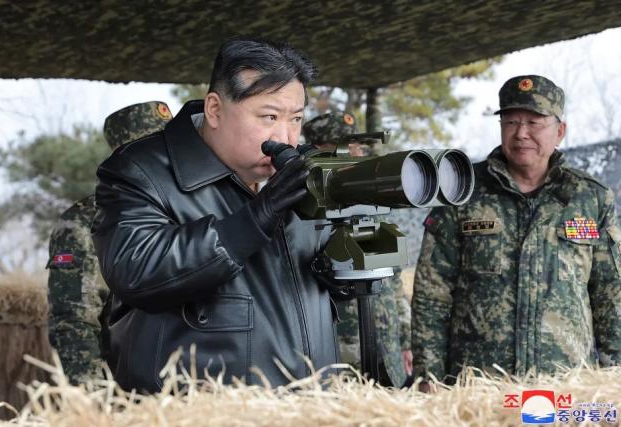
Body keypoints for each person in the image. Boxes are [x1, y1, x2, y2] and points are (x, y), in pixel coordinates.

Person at [91, 38, 339, 392]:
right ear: (214, 110)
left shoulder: (299, 175)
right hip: (194, 411)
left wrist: (341, 274)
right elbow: (136, 270)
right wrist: (254, 220)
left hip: (310, 408)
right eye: (269, 117)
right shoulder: (140, 172)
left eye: (296, 119)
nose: (286, 137)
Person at [411, 75, 621, 390]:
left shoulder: (589, 198)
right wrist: (429, 378)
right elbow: (432, 293)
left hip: (564, 384)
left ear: (560, 131)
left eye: (534, 122)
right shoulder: (462, 192)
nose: (521, 133)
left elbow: (610, 295)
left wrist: (614, 377)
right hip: (478, 386)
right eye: (511, 122)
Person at [47, 101, 173, 384]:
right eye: (149, 150)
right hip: (125, 394)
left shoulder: (196, 207)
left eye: (167, 148)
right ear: (123, 157)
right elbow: (73, 320)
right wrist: (93, 404)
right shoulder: (84, 221)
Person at [302, 112, 413, 387]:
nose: (355, 154)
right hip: (339, 353)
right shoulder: (302, 211)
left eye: (359, 148)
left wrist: (406, 340)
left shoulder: (373, 204)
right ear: (317, 153)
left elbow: (394, 281)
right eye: (343, 147)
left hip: (387, 350)